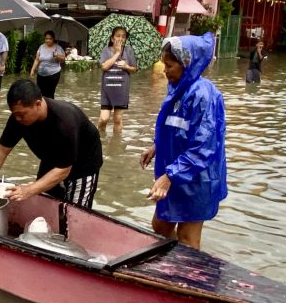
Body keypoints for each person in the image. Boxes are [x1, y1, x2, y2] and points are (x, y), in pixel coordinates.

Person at [140, 32, 227, 250]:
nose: (165, 71)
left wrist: (170, 176)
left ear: (186, 64)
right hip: (175, 168)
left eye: (170, 66)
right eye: (164, 65)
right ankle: (163, 271)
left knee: (187, 238)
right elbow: (174, 127)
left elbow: (203, 146)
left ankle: (186, 281)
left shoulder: (203, 95)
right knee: (160, 225)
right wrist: (156, 146)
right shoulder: (177, 89)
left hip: (197, 178)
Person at [0, 79, 103, 208]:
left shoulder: (64, 122)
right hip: (51, 158)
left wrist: (29, 189)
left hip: (83, 164)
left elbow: (63, 170)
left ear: (38, 104)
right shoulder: (17, 119)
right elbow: (2, 149)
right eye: (14, 114)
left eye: (22, 114)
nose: (17, 118)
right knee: (44, 200)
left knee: (75, 211)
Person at [97, 26, 138, 134]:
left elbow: (134, 69)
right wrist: (117, 54)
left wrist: (126, 66)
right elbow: (104, 67)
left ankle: (116, 144)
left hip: (122, 89)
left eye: (123, 36)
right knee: (103, 119)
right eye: (118, 36)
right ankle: (99, 138)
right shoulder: (106, 50)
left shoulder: (129, 50)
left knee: (118, 119)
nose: (121, 38)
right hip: (107, 89)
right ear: (112, 38)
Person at [29, 30, 66, 99]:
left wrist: (57, 55)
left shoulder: (58, 48)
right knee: (39, 93)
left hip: (53, 74)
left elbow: (63, 59)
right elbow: (37, 59)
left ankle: (50, 108)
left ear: (53, 39)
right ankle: (42, 108)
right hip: (41, 74)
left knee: (50, 94)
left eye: (50, 39)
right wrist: (32, 70)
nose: (48, 40)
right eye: (46, 38)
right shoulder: (41, 47)